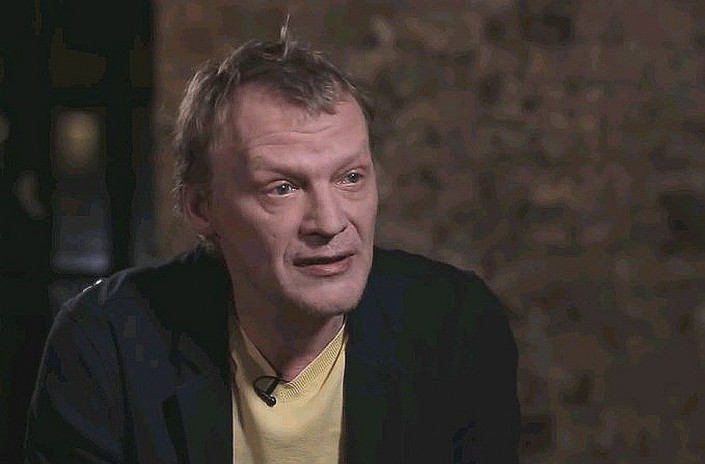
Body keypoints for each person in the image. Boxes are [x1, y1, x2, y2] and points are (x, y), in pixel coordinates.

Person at [25, 25, 520, 463]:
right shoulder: (106, 345)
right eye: (282, 188)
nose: (330, 223)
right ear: (201, 208)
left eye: (350, 177)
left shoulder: (456, 326)